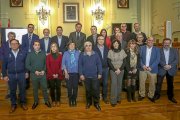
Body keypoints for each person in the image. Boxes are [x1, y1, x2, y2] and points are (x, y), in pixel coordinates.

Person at [2, 39, 28, 113]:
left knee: (22, 90)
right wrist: (4, 75)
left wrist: (26, 72)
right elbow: (4, 66)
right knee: (12, 91)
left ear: (18, 44)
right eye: (12, 44)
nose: (14, 45)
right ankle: (13, 104)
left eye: (16, 43)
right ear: (10, 45)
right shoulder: (7, 54)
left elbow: (26, 64)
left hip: (21, 74)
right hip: (11, 75)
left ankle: (23, 103)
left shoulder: (23, 53)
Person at [25, 40, 51, 109]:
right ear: (33, 46)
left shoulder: (43, 53)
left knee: (45, 88)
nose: (37, 46)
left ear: (40, 46)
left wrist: (44, 70)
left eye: (38, 45)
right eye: (35, 45)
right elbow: (27, 65)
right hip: (34, 75)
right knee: (35, 89)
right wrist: (34, 71)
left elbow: (46, 64)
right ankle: (36, 101)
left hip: (43, 74)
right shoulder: (29, 54)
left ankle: (46, 101)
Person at [79, 41, 102, 111]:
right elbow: (80, 65)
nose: (88, 47)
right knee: (88, 90)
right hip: (86, 77)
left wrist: (100, 73)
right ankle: (88, 103)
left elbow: (99, 64)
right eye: (86, 45)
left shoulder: (96, 54)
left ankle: (96, 103)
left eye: (90, 45)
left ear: (92, 46)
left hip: (95, 76)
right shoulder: (82, 55)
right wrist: (81, 74)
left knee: (95, 90)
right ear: (84, 47)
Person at [153, 38, 178, 103]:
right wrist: (164, 65)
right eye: (165, 43)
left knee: (170, 84)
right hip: (161, 68)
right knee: (158, 83)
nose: (166, 44)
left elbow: (176, 60)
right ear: (163, 43)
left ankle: (171, 96)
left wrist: (170, 66)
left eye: (168, 43)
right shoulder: (158, 50)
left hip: (171, 69)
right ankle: (157, 95)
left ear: (170, 43)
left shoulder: (174, 50)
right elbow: (157, 59)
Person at [138, 37, 160, 102]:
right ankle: (142, 95)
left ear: (153, 41)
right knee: (141, 82)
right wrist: (143, 65)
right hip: (143, 69)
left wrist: (151, 67)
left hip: (152, 69)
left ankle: (151, 95)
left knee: (152, 83)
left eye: (152, 40)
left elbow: (158, 59)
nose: (150, 41)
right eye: (149, 40)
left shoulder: (157, 49)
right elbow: (139, 58)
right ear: (146, 41)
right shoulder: (142, 48)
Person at [107, 40, 127, 107]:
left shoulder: (122, 51)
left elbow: (124, 62)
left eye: (117, 43)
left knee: (119, 84)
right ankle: (113, 100)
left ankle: (118, 98)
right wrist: (115, 70)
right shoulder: (110, 51)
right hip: (113, 70)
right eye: (114, 43)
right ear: (112, 44)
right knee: (114, 84)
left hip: (121, 70)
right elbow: (109, 62)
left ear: (119, 44)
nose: (115, 44)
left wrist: (120, 69)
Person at [62, 41, 80, 107]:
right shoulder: (65, 53)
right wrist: (66, 72)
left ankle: (74, 99)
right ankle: (70, 99)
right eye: (70, 45)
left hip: (76, 73)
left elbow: (80, 63)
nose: (72, 46)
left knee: (75, 87)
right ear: (68, 46)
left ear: (75, 46)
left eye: (73, 45)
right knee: (69, 87)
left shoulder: (78, 53)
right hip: (68, 73)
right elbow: (63, 63)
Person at [21, 24, 39, 89]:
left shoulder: (36, 36)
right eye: (29, 27)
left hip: (33, 55)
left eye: (32, 28)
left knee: (34, 68)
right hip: (25, 55)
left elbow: (37, 46)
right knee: (26, 69)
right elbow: (22, 47)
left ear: (33, 29)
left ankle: (36, 83)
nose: (31, 28)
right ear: (27, 28)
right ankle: (27, 84)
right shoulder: (23, 36)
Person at [46, 42, 63, 107]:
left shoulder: (60, 55)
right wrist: (52, 74)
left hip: (59, 75)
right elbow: (47, 66)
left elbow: (61, 65)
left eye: (55, 46)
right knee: (52, 88)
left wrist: (58, 74)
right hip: (51, 75)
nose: (53, 47)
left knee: (58, 88)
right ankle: (53, 100)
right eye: (52, 46)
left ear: (57, 47)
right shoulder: (48, 56)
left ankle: (58, 100)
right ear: (50, 48)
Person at [94, 35, 109, 104]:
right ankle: (97, 97)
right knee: (97, 83)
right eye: (99, 39)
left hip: (106, 68)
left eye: (102, 39)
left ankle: (105, 97)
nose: (101, 40)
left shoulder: (106, 48)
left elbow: (108, 58)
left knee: (105, 83)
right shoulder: (94, 48)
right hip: (97, 69)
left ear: (104, 40)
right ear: (97, 40)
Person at [1, 32, 16, 99]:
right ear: (8, 37)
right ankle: (9, 93)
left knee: (15, 80)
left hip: (15, 65)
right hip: (7, 66)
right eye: (10, 36)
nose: (12, 37)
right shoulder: (4, 44)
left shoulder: (17, 44)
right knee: (8, 80)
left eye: (13, 36)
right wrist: (4, 60)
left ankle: (15, 93)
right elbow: (1, 54)